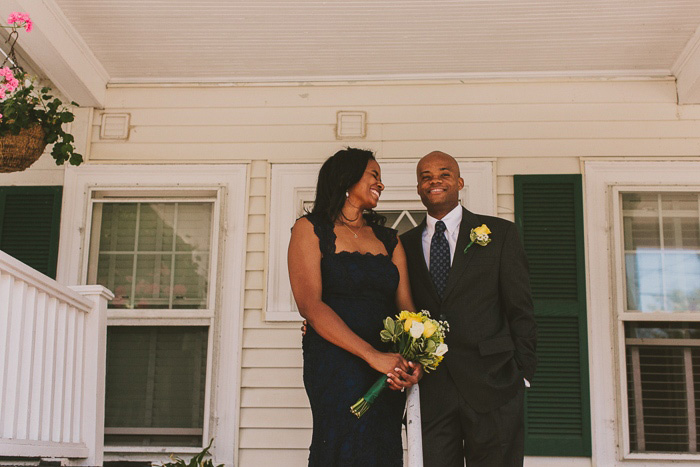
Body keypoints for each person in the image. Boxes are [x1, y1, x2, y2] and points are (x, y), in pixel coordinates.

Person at [395, 151, 537, 466]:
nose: (434, 181)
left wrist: (522, 373)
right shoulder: (401, 246)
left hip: (494, 383)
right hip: (432, 388)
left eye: (444, 174)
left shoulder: (499, 235)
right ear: (419, 189)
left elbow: (521, 308)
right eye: (425, 176)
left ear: (459, 182)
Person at [288, 147, 422, 467]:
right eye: (374, 175)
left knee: (382, 443)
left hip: (387, 362)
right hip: (336, 359)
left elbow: (409, 314)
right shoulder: (310, 229)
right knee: (341, 443)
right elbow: (311, 305)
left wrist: (413, 361)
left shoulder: (390, 239)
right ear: (347, 179)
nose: (381, 184)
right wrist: (372, 356)